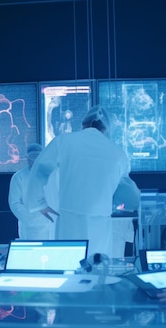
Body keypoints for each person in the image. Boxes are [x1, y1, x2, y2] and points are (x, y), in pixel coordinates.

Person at [25, 105, 135, 257]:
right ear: (107, 129)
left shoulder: (63, 142)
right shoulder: (118, 153)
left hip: (69, 224)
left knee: (68, 268)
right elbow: (128, 193)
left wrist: (38, 203)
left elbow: (40, 170)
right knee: (97, 270)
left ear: (83, 124)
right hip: (100, 225)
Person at [8, 143, 57, 240]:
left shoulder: (52, 174)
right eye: (32, 157)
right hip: (32, 229)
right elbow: (14, 203)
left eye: (37, 157)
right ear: (27, 158)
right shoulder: (19, 177)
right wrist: (34, 218)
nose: (34, 160)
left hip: (52, 227)